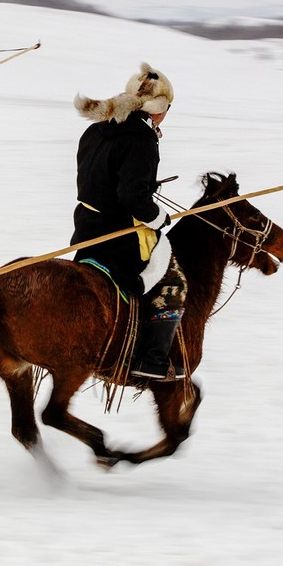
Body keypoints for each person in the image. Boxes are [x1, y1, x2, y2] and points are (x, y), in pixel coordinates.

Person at [72, 62, 188, 380]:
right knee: (173, 280)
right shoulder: (142, 140)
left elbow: (101, 177)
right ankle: (150, 359)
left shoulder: (94, 129)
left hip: (85, 227)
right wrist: (159, 216)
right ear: (160, 108)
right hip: (119, 233)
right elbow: (132, 199)